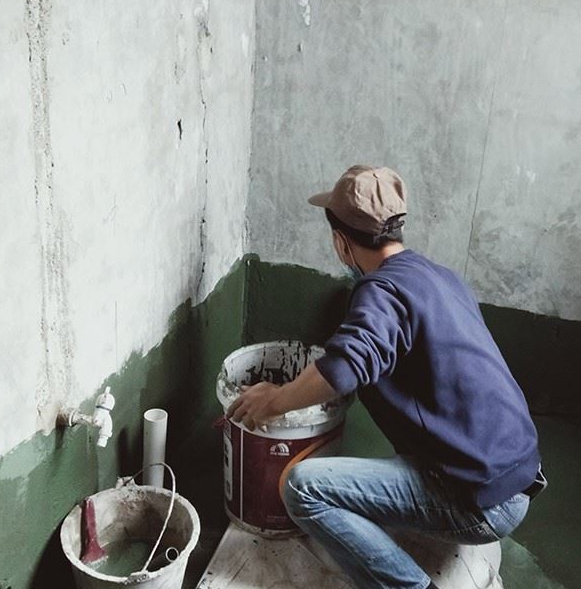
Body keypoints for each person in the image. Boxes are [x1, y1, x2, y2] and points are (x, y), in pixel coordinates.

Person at [226, 165, 546, 589]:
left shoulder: (381, 290)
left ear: (341, 242)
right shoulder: (438, 276)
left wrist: (274, 400)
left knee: (303, 488)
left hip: (482, 501)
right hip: (518, 472)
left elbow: (345, 367)